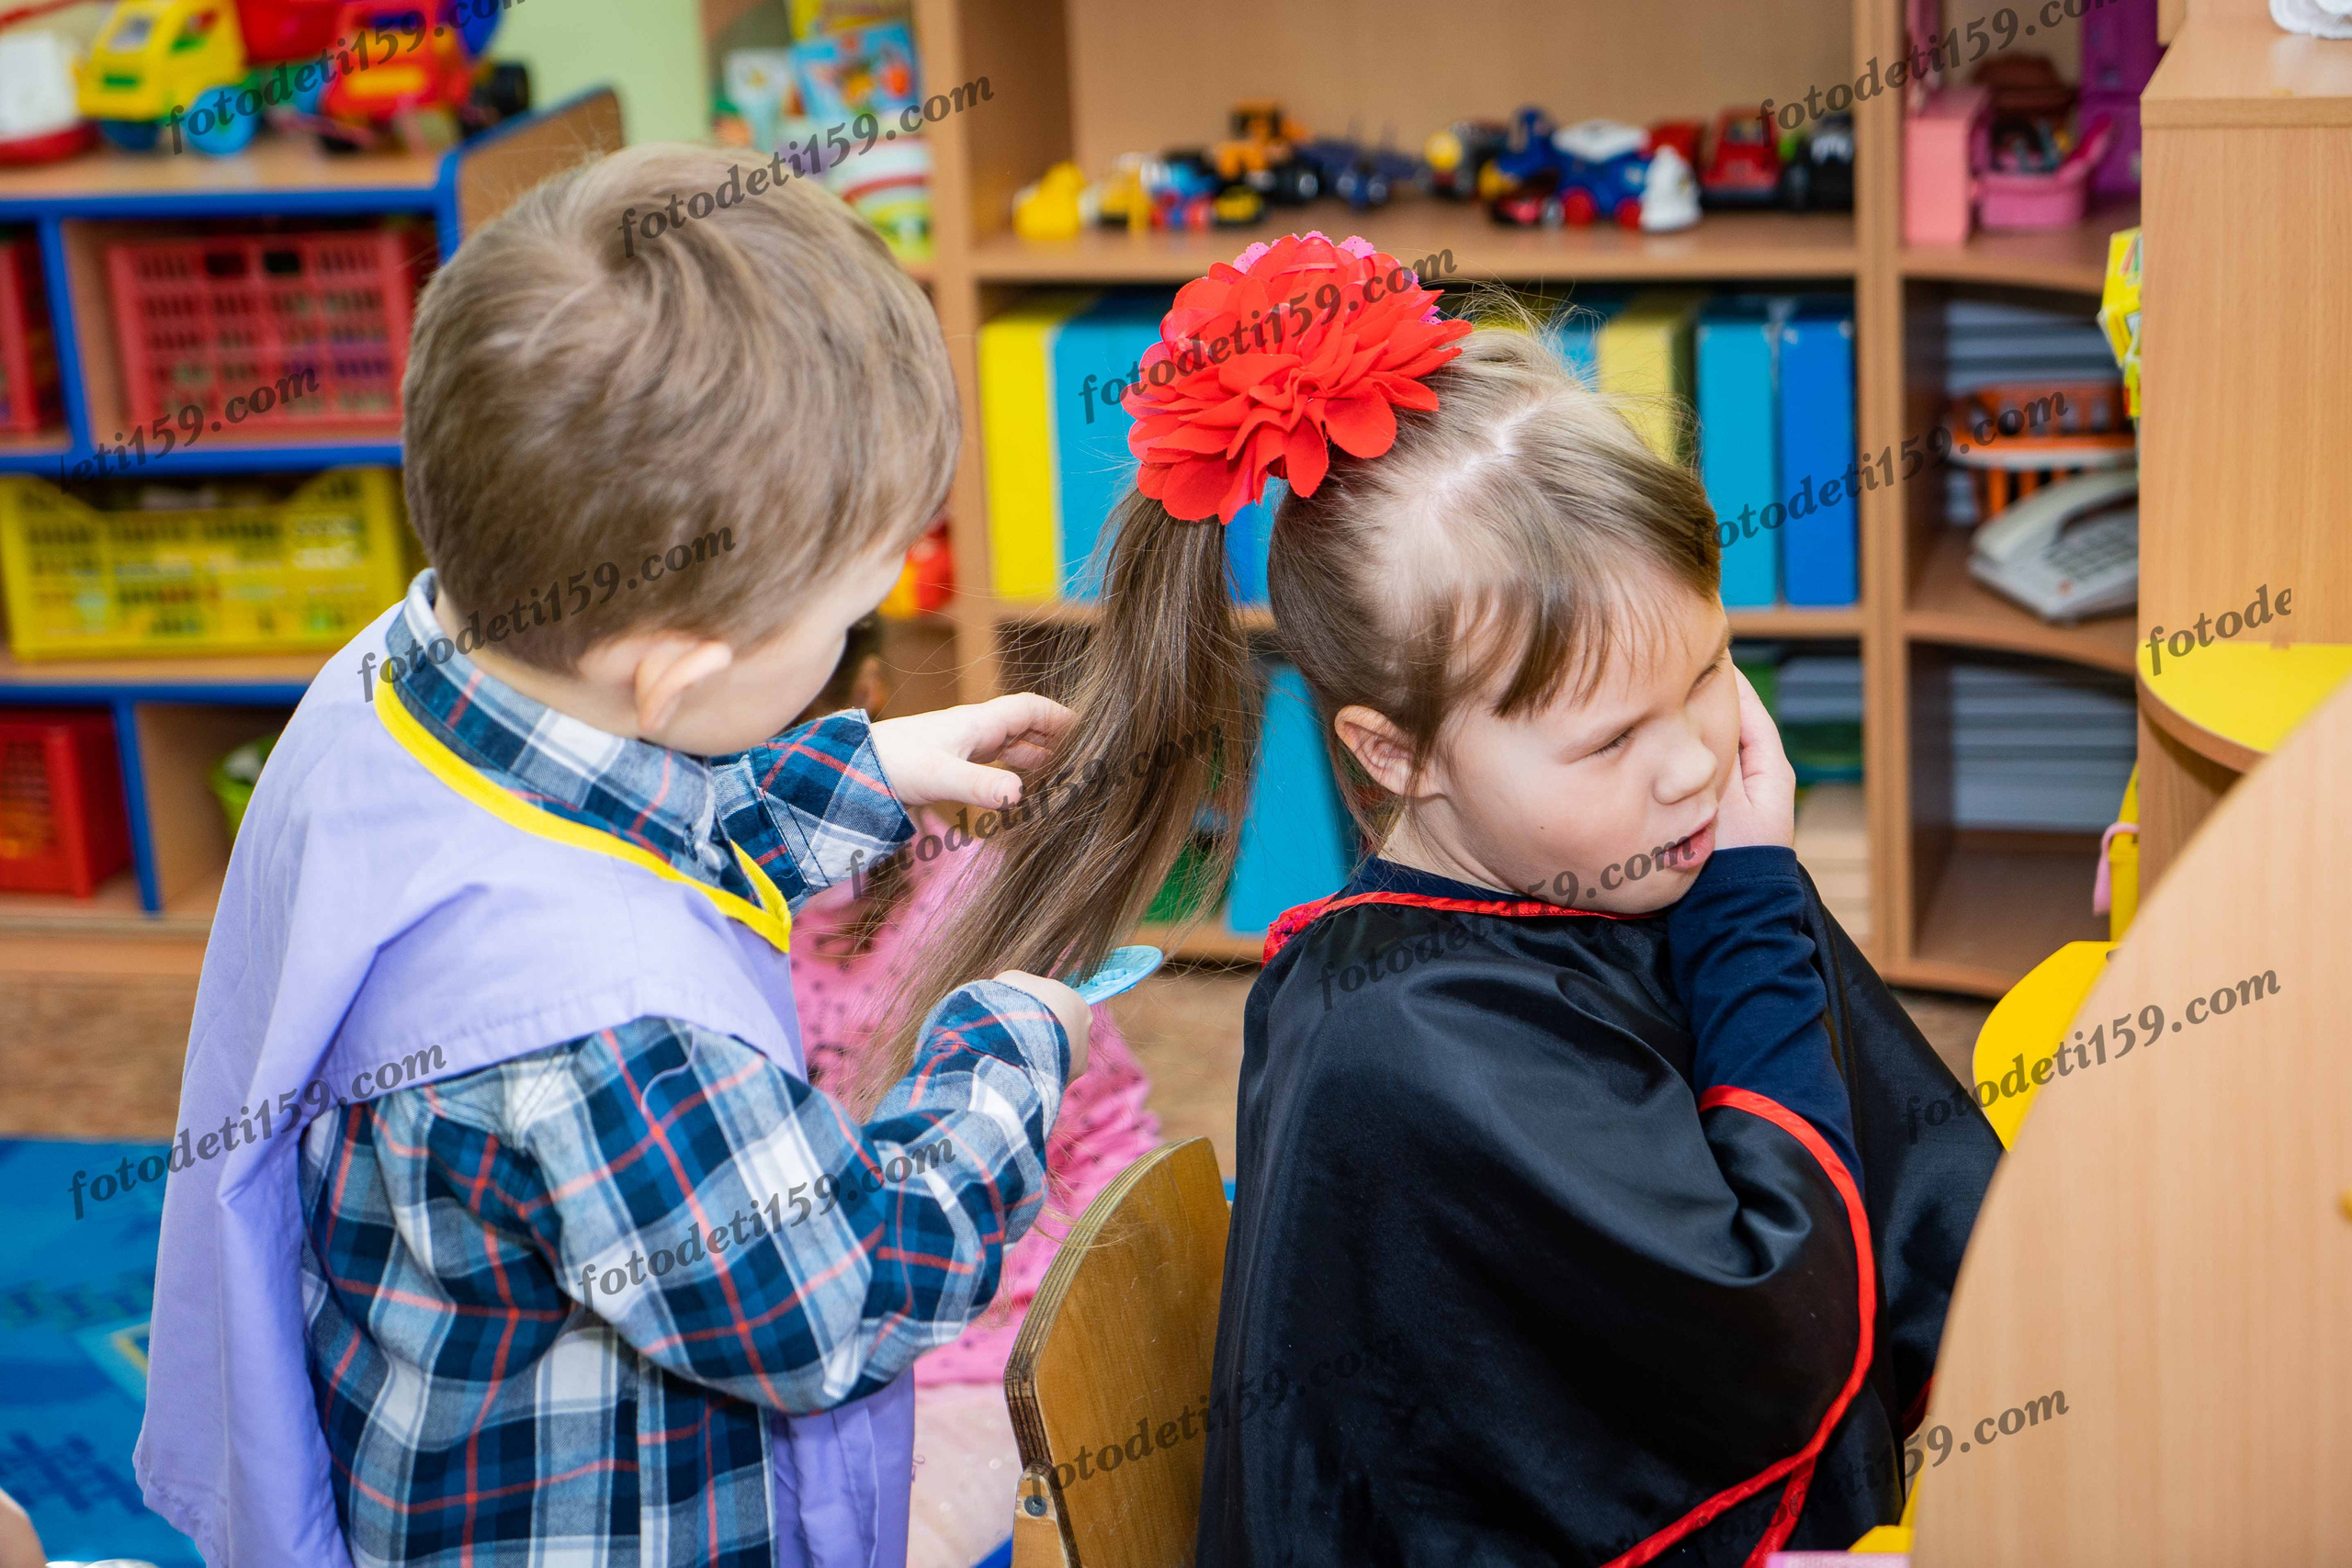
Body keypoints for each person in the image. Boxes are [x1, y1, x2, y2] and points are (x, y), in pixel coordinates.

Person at [877, 233, 2002, 1564]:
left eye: (1710, 669)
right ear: (1391, 751)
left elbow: (1931, 1216)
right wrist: (1750, 912)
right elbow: (1767, 1328)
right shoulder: (1400, 1047)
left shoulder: (1638, 849)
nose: (1697, 760)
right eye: (1607, 737)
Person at [136, 144, 1091, 1568]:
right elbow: (833, 1300)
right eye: (841, 625)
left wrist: (852, 773)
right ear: (673, 670)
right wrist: (1005, 1057)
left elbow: (589, 819)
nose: (850, 657)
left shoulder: (407, 673)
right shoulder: (617, 1032)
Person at [785, 625, 1162, 1568]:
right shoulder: (693, 901)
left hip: (982, 1347)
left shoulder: (967, 884)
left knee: (898, 1541)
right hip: (810, 1344)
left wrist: (1111, 1333)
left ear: (865, 692)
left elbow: (1106, 1127)